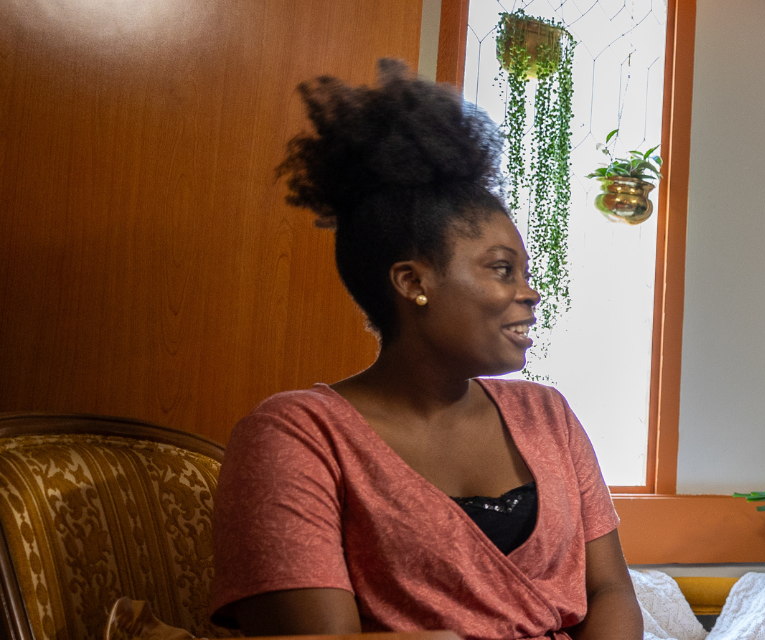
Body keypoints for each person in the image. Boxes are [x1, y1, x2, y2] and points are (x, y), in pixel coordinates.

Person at [209, 60, 644, 639]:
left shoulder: (549, 416)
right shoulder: (298, 437)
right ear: (413, 282)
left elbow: (609, 588)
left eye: (525, 271)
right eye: (502, 269)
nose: (530, 292)